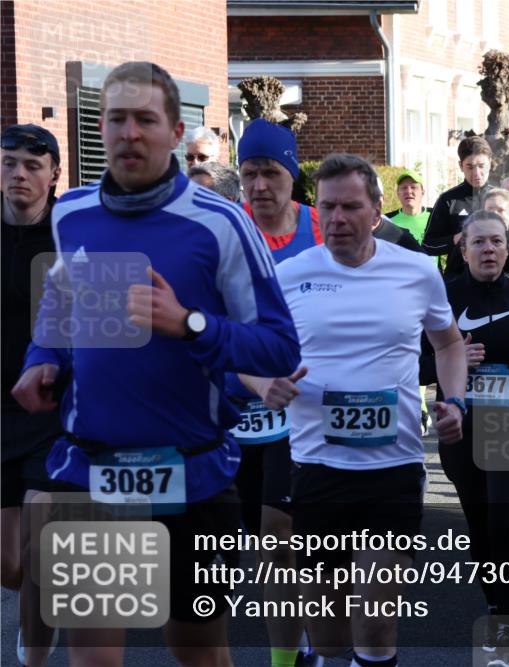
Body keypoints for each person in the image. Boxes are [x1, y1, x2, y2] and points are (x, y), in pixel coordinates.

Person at [12, 61, 301, 666]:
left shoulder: (223, 224)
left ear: (175, 132)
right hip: (91, 472)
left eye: (146, 119)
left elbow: (278, 348)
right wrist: (43, 358)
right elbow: (61, 305)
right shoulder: (72, 214)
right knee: (94, 658)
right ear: (101, 128)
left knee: (195, 650)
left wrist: (189, 324)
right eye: (116, 119)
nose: (129, 133)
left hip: (192, 474)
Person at [244, 153, 466, 667]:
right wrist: (263, 385)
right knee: (328, 630)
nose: (337, 219)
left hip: (394, 466)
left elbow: (450, 345)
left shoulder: (415, 272)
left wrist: (451, 399)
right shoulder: (290, 274)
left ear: (376, 210)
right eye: (327, 208)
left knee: (374, 611)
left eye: (350, 206)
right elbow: (241, 354)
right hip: (316, 467)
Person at [420, 210, 509, 667]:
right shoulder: (445, 295)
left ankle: (506, 627)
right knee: (478, 525)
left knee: (500, 518)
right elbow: (420, 363)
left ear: (507, 248)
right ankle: (495, 605)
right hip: (459, 421)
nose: (489, 250)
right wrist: (459, 361)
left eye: (496, 241)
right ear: (464, 249)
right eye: (479, 243)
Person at [234, 118, 323, 667]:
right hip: (237, 404)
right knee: (266, 547)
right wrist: (255, 381)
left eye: (271, 172)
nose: (260, 184)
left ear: (292, 176)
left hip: (307, 409)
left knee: (281, 533)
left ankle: (286, 658)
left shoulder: (321, 227)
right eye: (250, 173)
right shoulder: (226, 230)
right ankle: (295, 644)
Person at [2, 123, 62, 666]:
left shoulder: (71, 238)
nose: (18, 174)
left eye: (32, 165)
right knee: (10, 565)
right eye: (9, 163)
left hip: (52, 412)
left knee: (41, 551)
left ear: (53, 175)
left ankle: (34, 656)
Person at [422, 135, 498, 277]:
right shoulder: (448, 200)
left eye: (481, 166)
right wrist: (455, 239)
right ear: (460, 166)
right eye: (470, 167)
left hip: (497, 281)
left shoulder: (502, 199)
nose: (476, 173)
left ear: (490, 163)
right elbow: (428, 246)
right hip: (458, 281)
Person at [385, 169, 431, 242]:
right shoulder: (387, 221)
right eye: (404, 188)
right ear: (398, 193)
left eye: (413, 187)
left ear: (422, 192)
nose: (409, 192)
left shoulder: (435, 217)